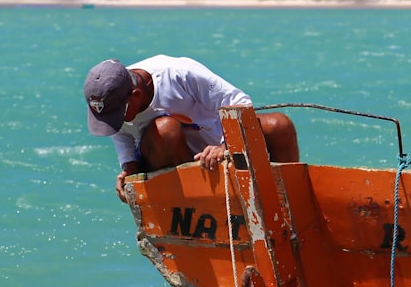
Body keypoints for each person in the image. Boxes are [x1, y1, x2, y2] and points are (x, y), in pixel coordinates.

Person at [84, 55, 299, 202]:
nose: (115, 123)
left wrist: (226, 145)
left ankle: (290, 201)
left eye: (117, 117)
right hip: (166, 159)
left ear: (136, 97)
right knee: (165, 130)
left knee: (280, 126)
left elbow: (238, 101)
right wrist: (129, 167)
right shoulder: (112, 99)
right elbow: (120, 134)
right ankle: (193, 202)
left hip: (217, 146)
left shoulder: (179, 72)